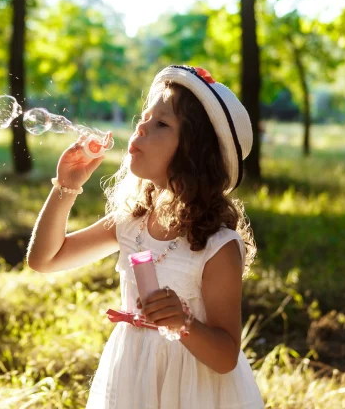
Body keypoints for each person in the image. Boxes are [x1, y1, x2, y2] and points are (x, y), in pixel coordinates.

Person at [27, 65, 265, 408]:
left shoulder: (217, 245)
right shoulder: (131, 222)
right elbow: (45, 259)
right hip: (131, 376)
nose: (141, 126)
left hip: (192, 390)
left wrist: (183, 322)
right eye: (144, 116)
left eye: (162, 124)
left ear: (194, 154)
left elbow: (226, 355)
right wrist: (67, 184)